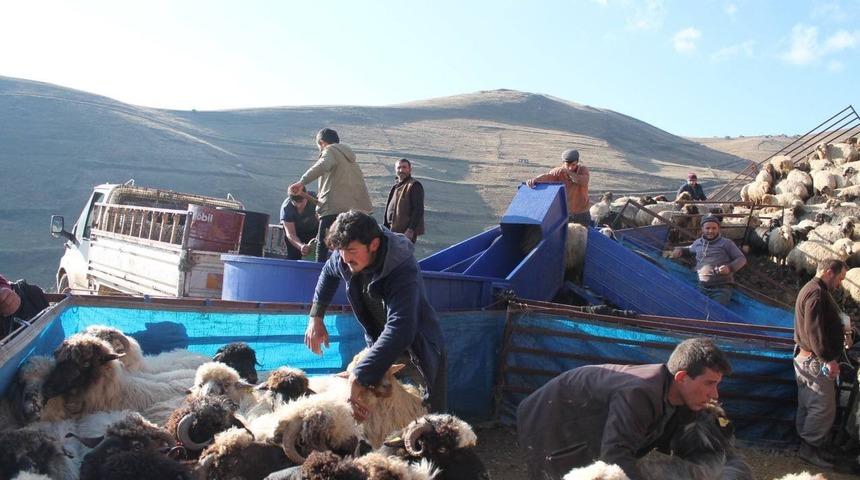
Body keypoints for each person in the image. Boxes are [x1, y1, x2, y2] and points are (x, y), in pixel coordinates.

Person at [517, 337, 732, 480]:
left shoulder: (679, 400)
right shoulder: (640, 394)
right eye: (709, 383)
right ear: (682, 377)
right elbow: (615, 460)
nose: (715, 395)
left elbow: (682, 448)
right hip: (551, 417)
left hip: (586, 426)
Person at [303, 210, 447, 418]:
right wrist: (316, 317)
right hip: (380, 342)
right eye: (341, 250)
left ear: (374, 244)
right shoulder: (346, 256)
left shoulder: (401, 268)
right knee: (378, 414)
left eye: (351, 250)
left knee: (425, 415)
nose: (345, 258)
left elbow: (402, 328)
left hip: (416, 347)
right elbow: (328, 272)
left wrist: (360, 375)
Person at [793, 259, 849, 468]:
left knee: (809, 404)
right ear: (828, 272)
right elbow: (814, 331)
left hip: (807, 358)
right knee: (822, 406)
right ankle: (810, 449)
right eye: (840, 278)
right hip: (815, 361)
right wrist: (829, 359)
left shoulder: (812, 290)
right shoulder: (816, 294)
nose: (840, 283)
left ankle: (810, 446)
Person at [288, 128, 373, 263]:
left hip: (334, 208)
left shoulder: (330, 150)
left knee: (322, 243)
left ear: (322, 143)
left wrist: (301, 182)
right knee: (348, 244)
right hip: (357, 209)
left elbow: (322, 166)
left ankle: (318, 274)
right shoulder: (350, 159)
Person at [671, 215, 747, 305]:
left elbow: (741, 258)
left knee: (716, 311)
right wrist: (680, 249)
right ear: (702, 229)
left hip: (721, 288)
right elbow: (689, 249)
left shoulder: (726, 243)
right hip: (701, 286)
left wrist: (729, 268)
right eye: (707, 228)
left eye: (714, 228)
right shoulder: (698, 243)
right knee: (696, 308)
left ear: (718, 229)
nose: (710, 231)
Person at [526, 149, 590, 225]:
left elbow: (582, 181)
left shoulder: (583, 170)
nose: (570, 167)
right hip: (565, 213)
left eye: (573, 165)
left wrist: (568, 172)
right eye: (567, 165)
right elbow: (547, 176)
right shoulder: (558, 171)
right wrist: (535, 180)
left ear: (577, 162)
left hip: (581, 213)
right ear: (563, 163)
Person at [383, 158, 425, 243]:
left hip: (404, 234)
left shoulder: (414, 185)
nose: (401, 170)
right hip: (392, 231)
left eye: (404, 167)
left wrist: (410, 230)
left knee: (401, 255)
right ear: (395, 170)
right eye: (399, 168)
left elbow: (418, 209)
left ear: (410, 169)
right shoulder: (396, 186)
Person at [279, 185, 320, 260]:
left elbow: (323, 221)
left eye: (301, 201)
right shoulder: (287, 208)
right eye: (295, 202)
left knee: (318, 255)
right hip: (296, 233)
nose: (299, 205)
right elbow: (290, 234)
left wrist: (320, 237)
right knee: (293, 256)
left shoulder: (315, 201)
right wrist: (301, 246)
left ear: (306, 196)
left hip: (314, 231)